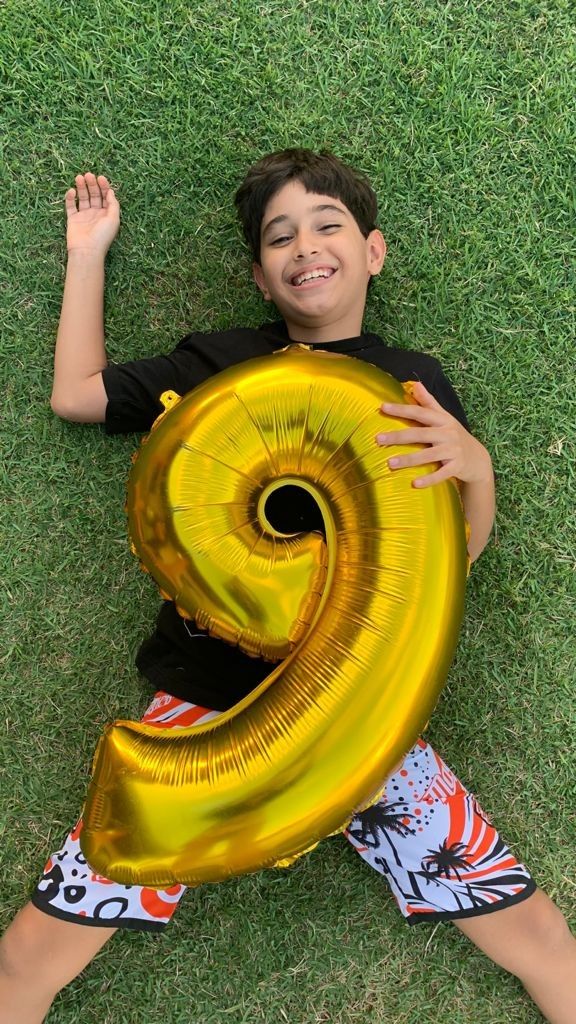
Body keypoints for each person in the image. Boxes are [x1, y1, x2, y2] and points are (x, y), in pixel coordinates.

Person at [1, 150, 574, 1024]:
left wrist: (479, 469)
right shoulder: (223, 365)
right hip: (210, 714)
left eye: (327, 225)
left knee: (539, 940)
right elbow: (76, 396)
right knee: (26, 960)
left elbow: (446, 569)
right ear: (261, 279)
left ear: (373, 251)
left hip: (360, 719)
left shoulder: (409, 385)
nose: (305, 246)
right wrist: (88, 254)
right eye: (280, 237)